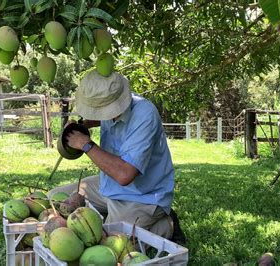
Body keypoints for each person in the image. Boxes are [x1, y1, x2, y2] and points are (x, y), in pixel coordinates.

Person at [48, 70, 186, 244]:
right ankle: (111, 216)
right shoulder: (109, 104)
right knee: (55, 199)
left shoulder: (145, 115)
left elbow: (124, 175)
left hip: (144, 195)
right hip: (108, 185)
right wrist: (83, 124)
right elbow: (102, 118)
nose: (97, 114)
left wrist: (85, 144)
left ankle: (167, 225)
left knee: (109, 243)